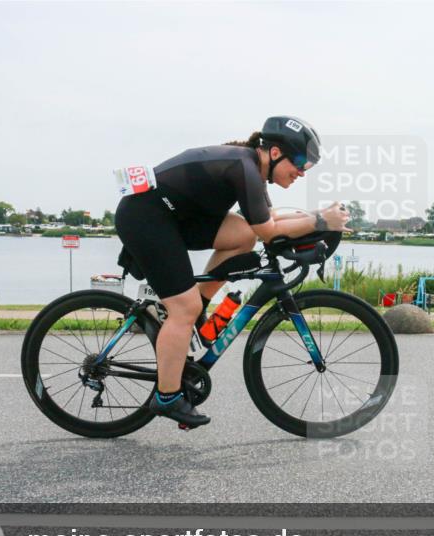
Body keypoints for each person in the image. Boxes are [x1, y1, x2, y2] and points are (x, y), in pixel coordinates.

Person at [114, 116, 350, 427]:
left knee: (242, 235)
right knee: (183, 309)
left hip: (170, 217)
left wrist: (316, 218)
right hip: (146, 218)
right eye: (302, 162)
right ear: (276, 153)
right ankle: (167, 396)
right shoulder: (244, 167)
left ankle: (193, 311)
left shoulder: (251, 168)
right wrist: (320, 222)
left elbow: (267, 222)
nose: (302, 172)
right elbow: (269, 232)